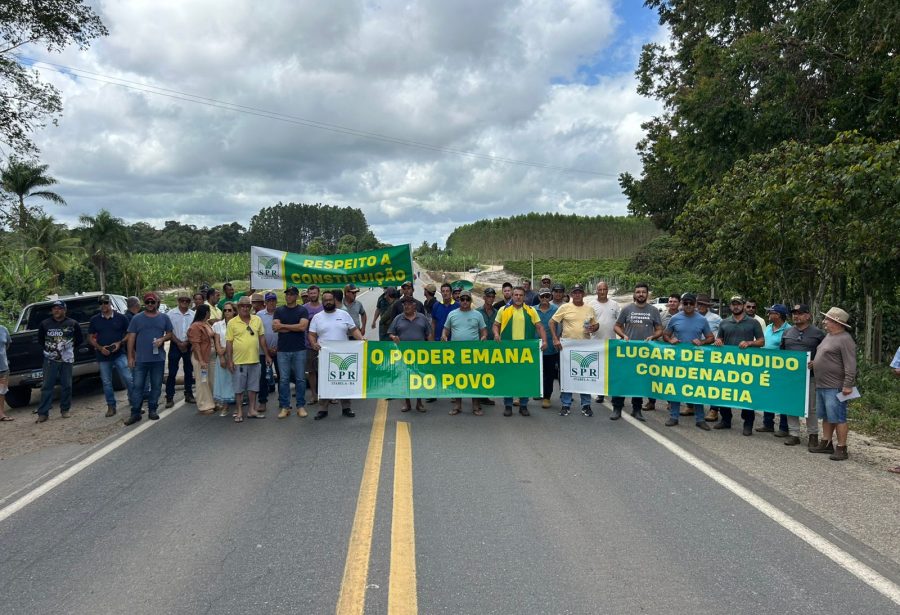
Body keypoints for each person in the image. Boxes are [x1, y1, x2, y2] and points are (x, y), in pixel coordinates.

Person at [307, 291, 365, 420]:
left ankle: (346, 407)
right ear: (322, 302)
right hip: (324, 355)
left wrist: (361, 339)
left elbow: (354, 329)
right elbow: (311, 334)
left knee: (344, 381)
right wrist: (313, 343)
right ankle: (323, 409)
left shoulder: (344, 314)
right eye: (325, 300)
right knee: (324, 382)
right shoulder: (317, 317)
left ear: (334, 301)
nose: (328, 302)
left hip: (342, 354)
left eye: (330, 300)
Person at [809, 307, 857, 461]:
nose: (824, 322)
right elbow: (828, 357)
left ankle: (842, 447)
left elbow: (850, 364)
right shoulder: (829, 336)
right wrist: (815, 363)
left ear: (837, 322)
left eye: (827, 319)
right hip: (822, 384)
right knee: (826, 416)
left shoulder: (845, 339)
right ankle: (826, 442)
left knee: (839, 417)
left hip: (836, 386)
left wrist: (848, 384)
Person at [712, 296, 764, 435]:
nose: (736, 306)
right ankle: (725, 420)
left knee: (746, 394)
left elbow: (761, 341)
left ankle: (748, 423)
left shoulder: (753, 322)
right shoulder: (724, 322)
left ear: (743, 305)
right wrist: (718, 341)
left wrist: (749, 343)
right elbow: (719, 339)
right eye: (733, 304)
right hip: (727, 364)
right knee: (725, 392)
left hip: (746, 365)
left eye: (739, 304)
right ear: (730, 306)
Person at [611, 282, 663, 422]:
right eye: (638, 292)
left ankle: (637, 410)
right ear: (634, 294)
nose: (641, 294)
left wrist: (653, 336)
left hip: (644, 353)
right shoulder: (627, 309)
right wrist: (623, 335)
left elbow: (659, 329)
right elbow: (617, 326)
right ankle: (617, 408)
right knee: (622, 380)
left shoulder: (653, 310)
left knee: (639, 382)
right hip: (627, 352)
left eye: (643, 292)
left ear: (647, 294)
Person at [662, 293, 714, 429]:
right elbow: (665, 335)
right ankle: (674, 417)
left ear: (695, 304)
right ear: (682, 304)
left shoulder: (702, 320)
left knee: (697, 390)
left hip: (695, 361)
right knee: (675, 388)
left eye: (691, 303)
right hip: (678, 360)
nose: (689, 305)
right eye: (686, 303)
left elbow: (711, 338)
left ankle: (700, 419)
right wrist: (670, 340)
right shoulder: (675, 318)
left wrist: (702, 342)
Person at [494, 287, 546, 417]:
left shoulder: (531, 310)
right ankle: (508, 405)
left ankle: (523, 405)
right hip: (508, 351)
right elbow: (496, 325)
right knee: (508, 377)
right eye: (516, 295)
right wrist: (496, 334)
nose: (518, 297)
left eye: (520, 295)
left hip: (525, 351)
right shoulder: (503, 310)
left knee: (525, 378)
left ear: (524, 297)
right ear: (512, 296)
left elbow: (539, 326)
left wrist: (544, 341)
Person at [780, 304, 825, 448]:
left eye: (799, 313)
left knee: (811, 407)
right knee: (791, 404)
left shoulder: (818, 333)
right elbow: (781, 353)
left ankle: (813, 435)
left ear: (807, 316)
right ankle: (794, 434)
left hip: (810, 376)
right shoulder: (787, 332)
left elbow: (825, 353)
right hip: (791, 377)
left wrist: (816, 362)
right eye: (794, 313)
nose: (796, 316)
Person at [125, 292, 173, 425]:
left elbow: (170, 333)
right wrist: (130, 356)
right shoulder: (137, 318)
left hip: (158, 359)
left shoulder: (164, 317)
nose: (150, 304)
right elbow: (131, 338)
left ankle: (152, 409)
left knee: (156, 386)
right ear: (144, 303)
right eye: (148, 302)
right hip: (141, 360)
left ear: (157, 303)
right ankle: (135, 413)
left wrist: (162, 339)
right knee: (137, 387)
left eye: (153, 302)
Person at [550, 283, 596, 417]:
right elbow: (552, 322)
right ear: (571, 295)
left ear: (583, 294)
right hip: (567, 347)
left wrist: (594, 327)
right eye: (575, 292)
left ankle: (586, 405)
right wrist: (555, 338)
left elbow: (595, 324)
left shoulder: (589, 309)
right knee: (566, 376)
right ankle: (566, 404)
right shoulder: (565, 307)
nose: (577, 294)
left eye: (579, 292)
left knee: (584, 376)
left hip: (585, 346)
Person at [35, 300, 84, 423]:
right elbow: (40, 340)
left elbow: (79, 340)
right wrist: (50, 350)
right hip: (50, 360)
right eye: (54, 308)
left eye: (59, 308)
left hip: (66, 360)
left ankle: (65, 409)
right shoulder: (45, 324)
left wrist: (68, 349)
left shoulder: (73, 323)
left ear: (64, 310)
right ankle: (43, 413)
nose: (56, 310)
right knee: (47, 386)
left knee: (67, 385)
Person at [441, 290, 487, 415]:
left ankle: (476, 406)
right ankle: (457, 405)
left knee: (474, 379)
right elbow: (446, 329)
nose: (465, 301)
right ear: (459, 300)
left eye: (467, 299)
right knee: (458, 379)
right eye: (462, 299)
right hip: (456, 353)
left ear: (471, 301)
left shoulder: (477, 315)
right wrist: (444, 336)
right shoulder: (452, 314)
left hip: (473, 353)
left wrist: (483, 337)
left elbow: (483, 331)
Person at [227, 296, 271, 422]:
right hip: (238, 361)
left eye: (247, 306)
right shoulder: (232, 322)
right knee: (239, 389)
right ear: (238, 307)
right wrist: (230, 360)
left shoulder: (257, 319)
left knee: (253, 387)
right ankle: (239, 411)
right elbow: (229, 342)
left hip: (254, 360)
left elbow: (261, 338)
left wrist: (267, 355)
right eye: (242, 306)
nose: (245, 308)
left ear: (250, 307)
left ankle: (252, 410)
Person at [88, 293, 132, 417]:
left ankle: (135, 402)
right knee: (106, 382)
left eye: (106, 303)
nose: (103, 305)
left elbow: (129, 334)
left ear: (110, 303)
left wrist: (119, 343)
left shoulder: (121, 318)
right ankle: (111, 406)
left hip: (119, 354)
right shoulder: (95, 320)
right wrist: (100, 348)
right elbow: (90, 338)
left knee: (128, 378)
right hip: (103, 356)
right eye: (101, 303)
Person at [389, 296, 434, 413]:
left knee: (419, 378)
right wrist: (394, 337)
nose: (406, 306)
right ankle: (407, 403)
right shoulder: (398, 318)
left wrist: (433, 349)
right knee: (405, 378)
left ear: (414, 306)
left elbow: (429, 334)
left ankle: (419, 403)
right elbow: (391, 333)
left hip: (420, 355)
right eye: (404, 304)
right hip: (403, 355)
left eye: (409, 304)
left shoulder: (422, 318)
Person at [273, 286, 310, 419]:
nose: (288, 296)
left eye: (291, 294)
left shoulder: (302, 310)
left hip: (299, 349)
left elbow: (302, 327)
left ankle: (300, 406)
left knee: (300, 379)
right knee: (283, 380)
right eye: (287, 294)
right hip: (283, 350)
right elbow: (275, 328)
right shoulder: (279, 311)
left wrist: (283, 326)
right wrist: (294, 327)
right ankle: (285, 406)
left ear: (296, 296)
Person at [759, 304, 792, 435]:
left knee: (782, 397)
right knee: (768, 395)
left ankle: (784, 427)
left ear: (778, 315)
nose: (768, 314)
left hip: (781, 369)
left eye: (770, 312)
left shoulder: (789, 330)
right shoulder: (768, 327)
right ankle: (768, 424)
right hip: (767, 368)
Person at [588, 280, 619, 403]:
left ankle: (613, 394)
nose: (602, 292)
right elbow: (587, 321)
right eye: (600, 289)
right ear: (596, 291)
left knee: (612, 370)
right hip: (596, 343)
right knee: (599, 370)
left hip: (611, 343)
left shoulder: (615, 304)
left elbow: (620, 322)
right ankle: (600, 393)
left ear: (607, 290)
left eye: (604, 289)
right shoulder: (591, 305)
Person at [165, 292, 195, 408]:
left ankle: (189, 394)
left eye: (187, 300)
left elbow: (194, 331)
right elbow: (168, 331)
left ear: (190, 302)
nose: (184, 302)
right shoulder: (171, 314)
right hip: (175, 345)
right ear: (178, 301)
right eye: (182, 300)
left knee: (189, 371)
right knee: (172, 372)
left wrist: (186, 343)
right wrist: (178, 343)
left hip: (188, 344)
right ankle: (169, 397)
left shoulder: (193, 314)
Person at [697, 293, 724, 422]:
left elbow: (723, 332)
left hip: (712, 354)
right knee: (695, 380)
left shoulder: (716, 318)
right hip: (695, 353)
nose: (701, 306)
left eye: (703, 304)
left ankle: (714, 409)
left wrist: (720, 339)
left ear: (708, 305)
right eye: (699, 304)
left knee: (713, 381)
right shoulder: (692, 316)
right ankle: (692, 406)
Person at [187, 305, 216, 414]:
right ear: (206, 313)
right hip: (201, 358)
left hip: (211, 357)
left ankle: (212, 401)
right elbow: (196, 344)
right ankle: (204, 405)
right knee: (202, 381)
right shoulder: (195, 326)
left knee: (211, 380)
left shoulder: (207, 324)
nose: (210, 314)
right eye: (209, 312)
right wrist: (201, 360)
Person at [255, 292, 279, 414]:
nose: (271, 303)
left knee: (282, 376)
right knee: (263, 377)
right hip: (263, 351)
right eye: (269, 300)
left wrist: (277, 348)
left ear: (276, 301)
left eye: (273, 300)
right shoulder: (259, 315)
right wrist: (267, 350)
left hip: (280, 350)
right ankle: (262, 401)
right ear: (265, 302)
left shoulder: (281, 313)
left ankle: (283, 401)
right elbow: (257, 334)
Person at [535, 288, 559, 409]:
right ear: (539, 297)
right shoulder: (532, 309)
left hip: (550, 346)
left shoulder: (556, 309)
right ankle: (537, 392)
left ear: (550, 297)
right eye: (542, 296)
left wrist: (557, 339)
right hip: (535, 346)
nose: (544, 298)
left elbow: (560, 326)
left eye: (547, 296)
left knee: (549, 374)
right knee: (536, 373)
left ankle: (547, 397)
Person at [475, 287, 499, 407]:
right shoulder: (477, 312)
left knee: (489, 372)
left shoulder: (498, 313)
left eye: (492, 296)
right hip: (480, 346)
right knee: (480, 372)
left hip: (493, 347)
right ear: (484, 297)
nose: (490, 298)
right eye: (488, 296)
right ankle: (478, 397)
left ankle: (485, 396)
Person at [212, 301, 236, 416]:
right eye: (225, 310)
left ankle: (237, 406)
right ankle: (225, 406)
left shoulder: (238, 324)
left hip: (235, 355)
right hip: (221, 356)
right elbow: (216, 341)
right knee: (224, 381)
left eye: (229, 310)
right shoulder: (218, 325)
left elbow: (234, 340)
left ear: (234, 312)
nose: (227, 312)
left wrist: (225, 349)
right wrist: (221, 355)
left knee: (235, 381)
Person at [303, 285, 324, 405]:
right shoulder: (304, 308)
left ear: (318, 293)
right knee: (311, 371)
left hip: (324, 345)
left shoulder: (324, 307)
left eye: (314, 293)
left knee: (324, 371)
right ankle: (314, 395)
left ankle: (327, 395)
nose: (312, 295)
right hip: (308, 345)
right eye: (310, 293)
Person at [0, 321, 12, 421]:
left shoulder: (3, 329)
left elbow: (7, 345)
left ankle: (1, 414)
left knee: (2, 391)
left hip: (3, 367)